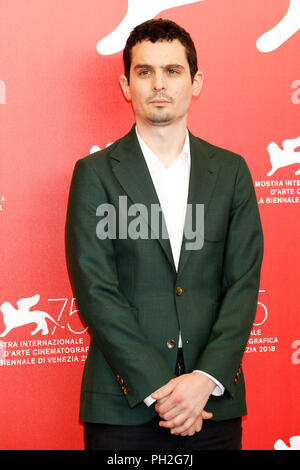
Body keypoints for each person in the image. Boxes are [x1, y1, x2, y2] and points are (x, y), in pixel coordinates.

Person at [65, 18, 263, 450]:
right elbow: (96, 291)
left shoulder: (231, 173)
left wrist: (203, 382)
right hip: (123, 409)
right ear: (125, 84)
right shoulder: (95, 175)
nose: (159, 84)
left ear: (195, 82)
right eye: (145, 71)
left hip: (211, 406)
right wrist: (161, 388)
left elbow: (243, 286)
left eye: (173, 71)